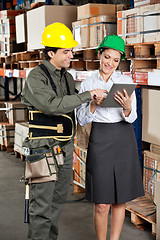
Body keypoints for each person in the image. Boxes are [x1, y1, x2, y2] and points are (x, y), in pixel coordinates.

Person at [21, 22, 106, 240]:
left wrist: (96, 99)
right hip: (43, 150)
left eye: (71, 50)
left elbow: (72, 105)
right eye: (66, 51)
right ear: (51, 53)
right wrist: (87, 96)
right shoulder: (35, 77)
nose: (71, 55)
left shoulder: (66, 77)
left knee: (57, 204)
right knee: (41, 208)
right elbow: (51, 105)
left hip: (65, 149)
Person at [77, 35, 144, 240]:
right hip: (100, 138)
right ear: (99, 55)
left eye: (116, 60)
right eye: (107, 57)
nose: (110, 64)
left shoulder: (125, 82)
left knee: (119, 199)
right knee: (102, 203)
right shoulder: (87, 83)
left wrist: (127, 107)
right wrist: (94, 104)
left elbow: (132, 117)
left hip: (123, 139)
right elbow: (80, 118)